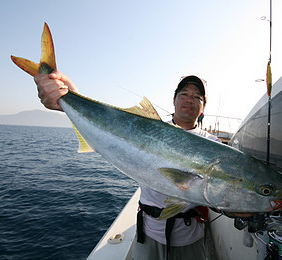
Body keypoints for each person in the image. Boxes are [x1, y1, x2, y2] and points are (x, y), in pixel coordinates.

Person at [34, 72, 250, 259]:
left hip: (190, 237)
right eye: (184, 94)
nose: (189, 99)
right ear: (174, 99)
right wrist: (68, 97)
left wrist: (235, 209)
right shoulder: (145, 129)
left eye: (197, 97)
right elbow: (107, 124)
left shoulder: (213, 146)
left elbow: (215, 193)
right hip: (149, 234)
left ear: (203, 107)